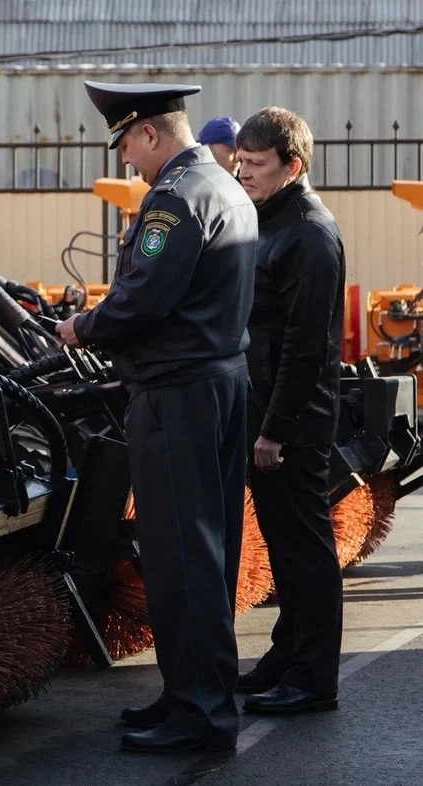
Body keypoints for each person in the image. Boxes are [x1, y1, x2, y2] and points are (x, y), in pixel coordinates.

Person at [57, 81, 258, 754]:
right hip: (218, 383)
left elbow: (142, 299)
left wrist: (82, 327)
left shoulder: (173, 199)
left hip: (178, 392)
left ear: (147, 133)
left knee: (179, 556)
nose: (127, 165)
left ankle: (198, 714)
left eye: (127, 149)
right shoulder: (224, 185)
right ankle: (191, 693)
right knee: (207, 548)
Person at [234, 107, 345, 715]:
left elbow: (307, 349)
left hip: (293, 421)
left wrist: (275, 431)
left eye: (255, 164)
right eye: (240, 161)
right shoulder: (271, 220)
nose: (242, 171)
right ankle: (288, 654)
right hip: (269, 410)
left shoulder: (307, 233)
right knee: (285, 543)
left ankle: (313, 678)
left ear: (292, 166)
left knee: (306, 547)